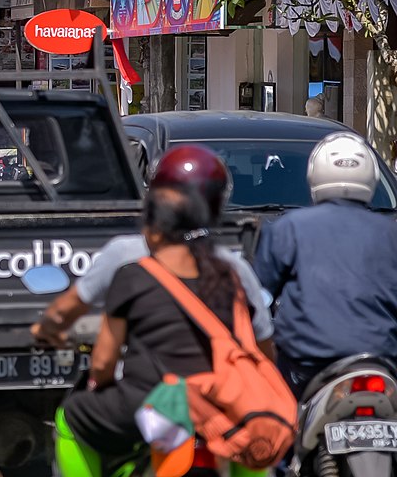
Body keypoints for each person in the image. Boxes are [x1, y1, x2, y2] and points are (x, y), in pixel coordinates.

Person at [53, 184, 271, 477]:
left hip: (154, 403)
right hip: (220, 402)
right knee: (252, 432)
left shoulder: (132, 272)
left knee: (70, 418)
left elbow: (102, 363)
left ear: (156, 231)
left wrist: (100, 383)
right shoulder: (232, 272)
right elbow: (261, 350)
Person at [32, 144, 273, 350]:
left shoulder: (125, 255)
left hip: (144, 388)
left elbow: (65, 315)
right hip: (215, 388)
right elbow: (262, 345)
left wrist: (46, 331)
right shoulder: (233, 267)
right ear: (217, 205)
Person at [255, 131, 397, 399]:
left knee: (277, 416)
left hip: (307, 364)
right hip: (383, 361)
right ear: (372, 177)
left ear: (314, 175)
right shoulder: (390, 233)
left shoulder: (289, 228)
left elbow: (258, 298)